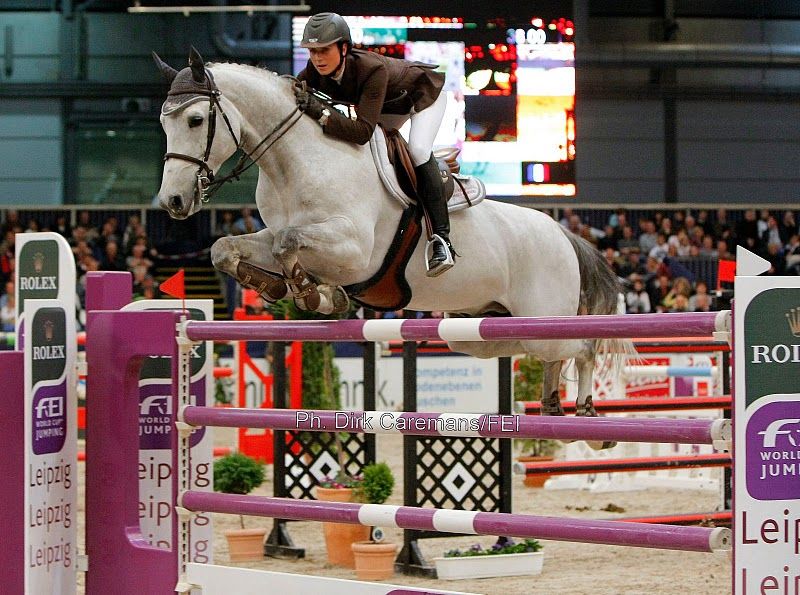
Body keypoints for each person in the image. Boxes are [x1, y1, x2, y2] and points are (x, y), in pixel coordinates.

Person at [294, 12, 455, 277]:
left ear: (344, 48)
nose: (318, 58)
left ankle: (441, 240)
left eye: (324, 50)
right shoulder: (313, 71)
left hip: (421, 98)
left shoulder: (372, 70)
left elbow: (361, 132)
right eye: (312, 52)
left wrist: (321, 114)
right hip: (388, 107)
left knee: (418, 150)